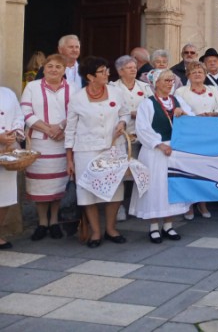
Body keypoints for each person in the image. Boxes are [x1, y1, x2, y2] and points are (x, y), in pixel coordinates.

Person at [65, 56, 130, 248]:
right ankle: (95, 231)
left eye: (106, 70)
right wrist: (69, 159)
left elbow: (125, 112)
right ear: (90, 77)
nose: (107, 74)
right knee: (87, 191)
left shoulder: (116, 92)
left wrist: (122, 122)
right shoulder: (77, 98)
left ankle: (111, 229)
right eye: (102, 72)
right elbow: (70, 130)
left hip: (113, 148)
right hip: (86, 150)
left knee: (115, 190)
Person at [131, 69, 194, 243]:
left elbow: (192, 119)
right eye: (166, 80)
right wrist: (159, 145)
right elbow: (142, 128)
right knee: (155, 187)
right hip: (155, 151)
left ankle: (168, 225)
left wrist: (184, 114)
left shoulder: (178, 100)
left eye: (171, 80)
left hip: (174, 149)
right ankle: (153, 227)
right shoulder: (148, 104)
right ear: (156, 83)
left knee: (170, 186)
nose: (169, 83)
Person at [21, 54, 76, 239]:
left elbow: (76, 113)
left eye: (58, 67)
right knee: (40, 184)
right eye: (50, 66)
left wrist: (60, 127)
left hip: (62, 143)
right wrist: (47, 129)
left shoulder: (73, 88)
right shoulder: (32, 87)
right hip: (39, 143)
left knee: (58, 183)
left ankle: (54, 221)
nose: (53, 69)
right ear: (43, 69)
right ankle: (42, 222)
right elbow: (26, 112)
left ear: (64, 70)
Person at [175, 61, 218, 220]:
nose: (197, 74)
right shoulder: (181, 91)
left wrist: (213, 114)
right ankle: (188, 205)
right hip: (190, 136)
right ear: (188, 75)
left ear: (205, 74)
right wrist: (195, 118)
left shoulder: (213, 90)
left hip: (210, 136)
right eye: (194, 72)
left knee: (206, 169)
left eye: (200, 72)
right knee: (189, 170)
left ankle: (203, 203)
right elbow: (178, 112)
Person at [109, 55, 153, 222]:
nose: (134, 70)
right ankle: (119, 206)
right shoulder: (113, 88)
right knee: (121, 173)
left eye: (134, 67)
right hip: (122, 135)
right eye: (129, 67)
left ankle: (139, 205)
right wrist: (131, 114)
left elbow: (152, 107)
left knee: (141, 171)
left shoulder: (145, 87)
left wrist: (139, 114)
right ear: (120, 71)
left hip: (142, 136)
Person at [0, 86, 23, 248]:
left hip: (7, 151)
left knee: (5, 197)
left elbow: (18, 116)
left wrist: (14, 133)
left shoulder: (7, 93)